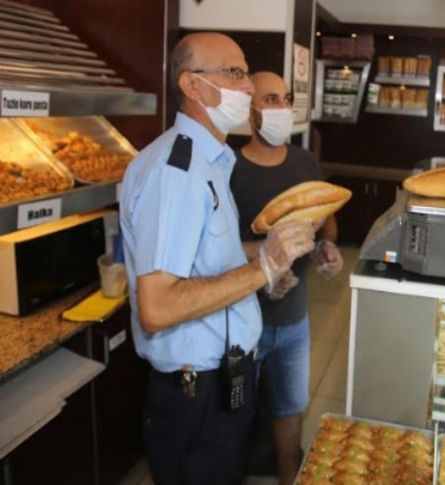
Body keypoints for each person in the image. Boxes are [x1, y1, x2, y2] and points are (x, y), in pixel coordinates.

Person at [119, 34, 316, 485]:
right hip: (195, 395)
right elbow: (159, 306)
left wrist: (266, 258)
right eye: (234, 73)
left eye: (245, 73)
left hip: (222, 380)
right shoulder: (178, 172)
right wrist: (260, 268)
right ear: (192, 86)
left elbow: (208, 256)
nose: (246, 88)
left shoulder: (211, 162)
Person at [230, 71, 344, 485]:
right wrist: (262, 272)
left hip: (294, 320)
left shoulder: (304, 162)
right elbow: (218, 250)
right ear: (250, 110)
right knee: (236, 419)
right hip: (243, 323)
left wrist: (325, 249)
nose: (281, 108)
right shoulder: (230, 169)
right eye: (270, 99)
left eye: (286, 99)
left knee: (290, 412)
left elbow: (324, 223)